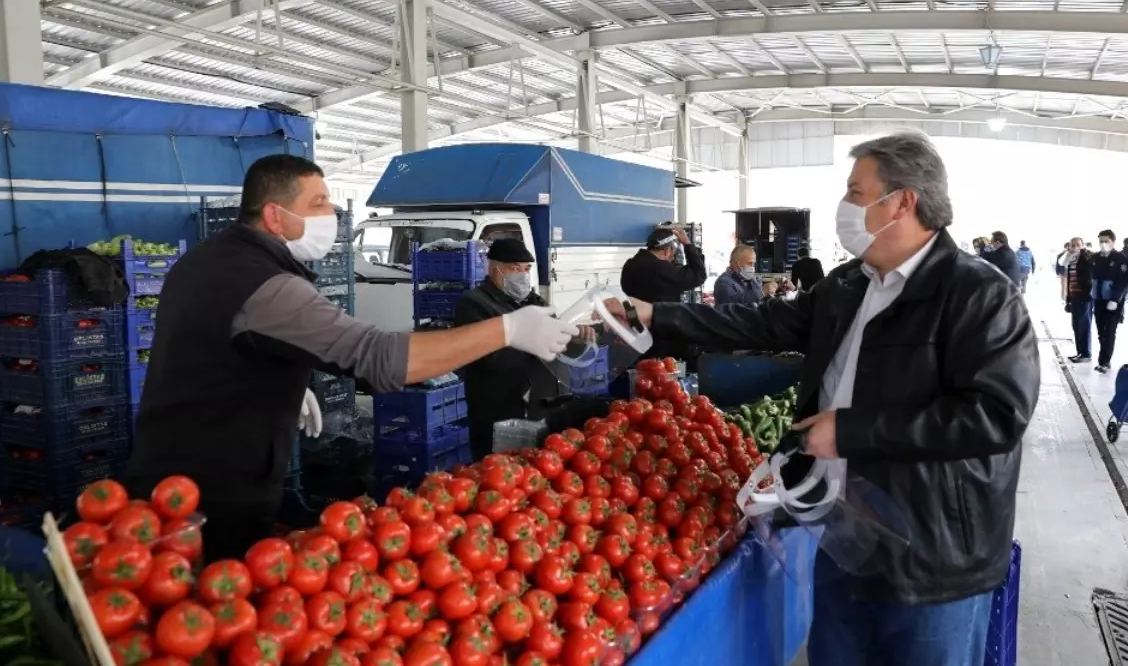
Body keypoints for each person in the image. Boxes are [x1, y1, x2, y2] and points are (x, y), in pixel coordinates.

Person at [613, 131, 1038, 666]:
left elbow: (996, 417)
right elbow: (759, 324)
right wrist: (655, 313)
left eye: (855, 191)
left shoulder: (979, 295)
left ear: (903, 202)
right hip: (847, 533)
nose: (845, 205)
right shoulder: (845, 287)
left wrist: (853, 429)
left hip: (936, 553)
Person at [124, 155, 578, 561]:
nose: (333, 215)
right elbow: (378, 359)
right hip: (211, 497)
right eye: (318, 203)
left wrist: (271, 373)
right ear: (274, 216)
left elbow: (212, 339)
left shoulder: (207, 260)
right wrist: (509, 329)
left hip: (168, 478)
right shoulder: (267, 284)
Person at [454, 238, 573, 461]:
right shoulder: (474, 304)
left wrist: (574, 334)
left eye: (526, 269)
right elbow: (486, 356)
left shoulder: (534, 302)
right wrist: (533, 345)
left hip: (537, 406)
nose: (522, 275)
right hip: (497, 409)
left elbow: (555, 334)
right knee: (497, 470)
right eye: (514, 269)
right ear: (493, 269)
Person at [620, 226, 706, 362]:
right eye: (673, 254)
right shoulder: (661, 269)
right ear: (667, 250)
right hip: (661, 336)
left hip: (636, 333)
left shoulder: (629, 265)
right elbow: (698, 275)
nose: (672, 260)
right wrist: (687, 244)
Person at [1091, 229, 1128, 374]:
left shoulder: (1121, 258)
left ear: (1113, 242)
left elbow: (1123, 281)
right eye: (1101, 241)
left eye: (1106, 241)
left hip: (1113, 302)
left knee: (1109, 331)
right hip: (1098, 300)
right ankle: (1103, 358)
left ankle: (1105, 361)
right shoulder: (1095, 258)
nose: (1103, 244)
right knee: (1101, 331)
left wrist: (1115, 299)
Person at [1064, 237, 1095, 363]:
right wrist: (1068, 299)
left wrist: (1088, 291)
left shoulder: (1086, 257)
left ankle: (1086, 354)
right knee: (1076, 326)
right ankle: (1080, 352)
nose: (1075, 247)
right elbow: (1069, 280)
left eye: (1078, 244)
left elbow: (1091, 272)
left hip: (1084, 296)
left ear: (1082, 245)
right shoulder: (1071, 259)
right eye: (1073, 245)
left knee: (1084, 325)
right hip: (1074, 296)